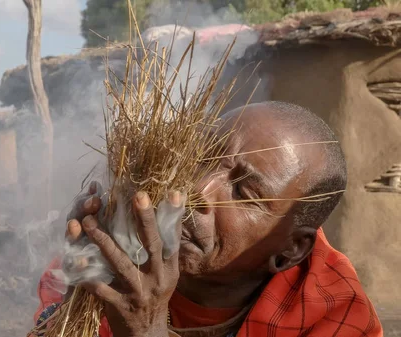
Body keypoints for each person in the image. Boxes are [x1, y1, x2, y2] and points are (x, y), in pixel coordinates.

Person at [33, 101, 383, 337]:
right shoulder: (119, 256)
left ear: (291, 250)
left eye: (245, 193)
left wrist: (146, 329)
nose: (198, 188)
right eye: (202, 158)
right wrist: (77, 296)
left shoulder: (334, 315)